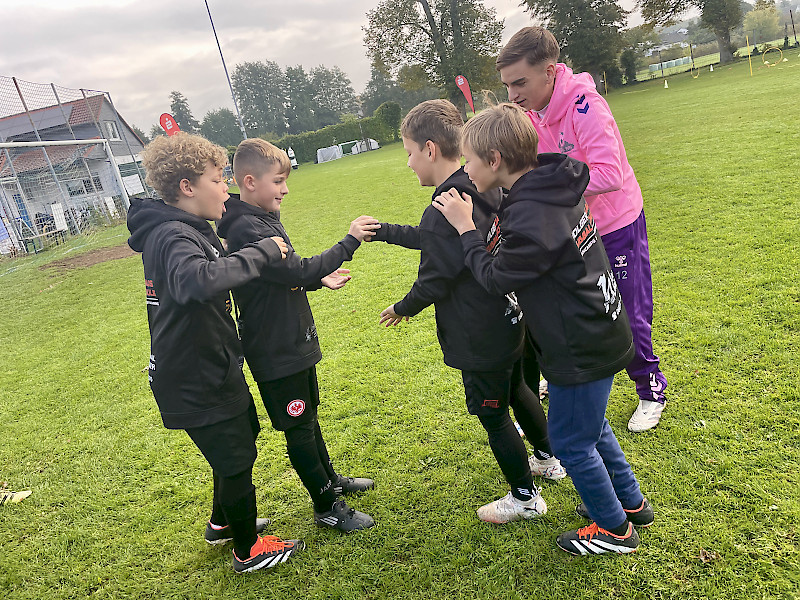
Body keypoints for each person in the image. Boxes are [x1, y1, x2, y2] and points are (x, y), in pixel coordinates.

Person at [434, 103, 653, 555]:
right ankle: (630, 503)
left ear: (494, 159)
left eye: (470, 160)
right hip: (601, 329)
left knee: (571, 443)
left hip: (579, 345)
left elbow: (495, 278)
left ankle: (615, 530)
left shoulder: (532, 215)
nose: (465, 169)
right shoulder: (553, 185)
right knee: (592, 428)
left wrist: (465, 229)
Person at [374, 99, 559, 524]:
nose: (408, 163)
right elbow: (437, 239)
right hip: (509, 317)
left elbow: (435, 277)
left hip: (479, 333)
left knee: (493, 412)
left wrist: (402, 307)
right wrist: (384, 231)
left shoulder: (445, 205)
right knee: (518, 389)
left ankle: (525, 499)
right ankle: (549, 459)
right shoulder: (479, 183)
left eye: (409, 153)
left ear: (430, 149)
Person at [127, 132, 303, 573]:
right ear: (187, 187)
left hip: (211, 366)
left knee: (241, 440)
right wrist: (261, 252)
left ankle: (223, 523)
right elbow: (196, 281)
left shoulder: (186, 229)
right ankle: (248, 549)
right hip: (196, 376)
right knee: (236, 457)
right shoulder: (171, 235)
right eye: (218, 179)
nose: (227, 188)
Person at [496, 26, 668, 432]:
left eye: (519, 83)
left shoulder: (586, 105)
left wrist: (544, 187)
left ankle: (650, 388)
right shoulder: (527, 114)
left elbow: (609, 174)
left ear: (549, 72)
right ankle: (567, 378)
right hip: (571, 228)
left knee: (623, 310)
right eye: (506, 85)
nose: (513, 95)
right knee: (569, 310)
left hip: (616, 224)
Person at [217, 138, 379, 533]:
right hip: (275, 349)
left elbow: (280, 277)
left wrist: (315, 280)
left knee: (309, 417)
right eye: (278, 181)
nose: (285, 189)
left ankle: (330, 481)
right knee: (300, 427)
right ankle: (326, 506)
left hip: (292, 340)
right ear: (250, 182)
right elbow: (298, 269)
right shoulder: (246, 227)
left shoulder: (261, 216)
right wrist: (349, 241)